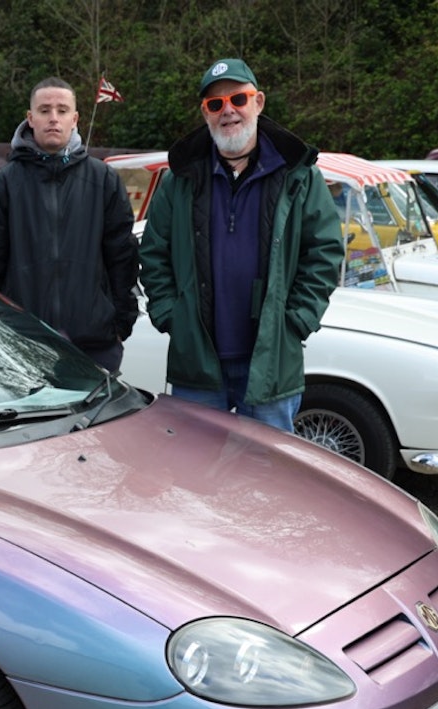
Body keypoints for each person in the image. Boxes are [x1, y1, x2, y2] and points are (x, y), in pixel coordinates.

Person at [138, 58, 342, 432]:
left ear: (258, 102)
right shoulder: (179, 179)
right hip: (197, 362)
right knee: (194, 475)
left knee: (266, 479)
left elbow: (325, 252)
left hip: (270, 362)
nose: (228, 110)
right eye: (215, 104)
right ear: (205, 114)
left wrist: (297, 320)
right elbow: (153, 254)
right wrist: (171, 316)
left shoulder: (298, 175)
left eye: (238, 99)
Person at [0, 77, 139, 374]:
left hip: (95, 344)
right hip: (23, 345)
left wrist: (120, 323)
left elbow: (122, 258)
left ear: (74, 119)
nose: (53, 118)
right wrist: (1, 327)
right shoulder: (5, 184)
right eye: (45, 110)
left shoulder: (103, 180)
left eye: (62, 111)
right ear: (30, 118)